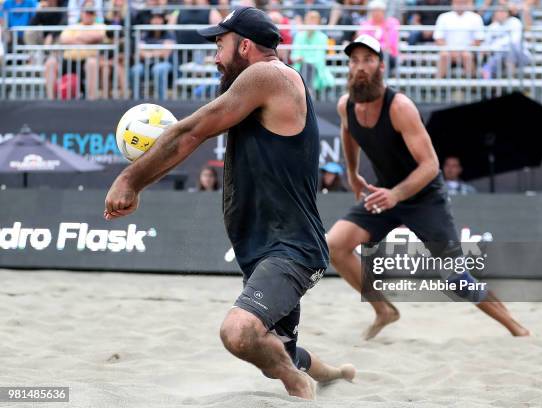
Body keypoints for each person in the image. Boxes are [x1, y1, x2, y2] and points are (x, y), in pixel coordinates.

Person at [104, 6, 354, 400]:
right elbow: (187, 138)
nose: (214, 56)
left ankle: (300, 385)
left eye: (220, 45)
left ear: (246, 47)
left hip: (291, 250)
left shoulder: (268, 75)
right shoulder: (251, 84)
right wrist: (139, 183)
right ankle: (335, 372)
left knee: (239, 333)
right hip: (264, 249)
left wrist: (129, 179)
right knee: (278, 351)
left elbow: (189, 133)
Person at [326, 34, 530, 340]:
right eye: (354, 60)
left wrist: (396, 194)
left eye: (368, 60)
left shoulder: (399, 107)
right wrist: (353, 174)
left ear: (381, 66)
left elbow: (431, 165)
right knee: (334, 246)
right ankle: (384, 310)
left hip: (424, 197)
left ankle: (517, 328)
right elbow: (347, 133)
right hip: (385, 193)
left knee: (457, 280)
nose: (360, 67)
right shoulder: (346, 106)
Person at [43, 3, 106, 99]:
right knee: (50, 63)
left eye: (91, 13)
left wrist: (77, 37)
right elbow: (63, 39)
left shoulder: (99, 26)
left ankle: (92, 100)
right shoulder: (73, 26)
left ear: (95, 15)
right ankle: (51, 99)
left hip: (86, 61)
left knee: (92, 63)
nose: (88, 15)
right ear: (81, 13)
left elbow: (98, 36)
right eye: (86, 12)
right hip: (68, 60)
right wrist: (86, 39)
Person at [433, 0, 485, 78]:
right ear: (452, 3)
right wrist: (451, 50)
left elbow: (478, 39)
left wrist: (463, 51)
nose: (459, 5)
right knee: (444, 55)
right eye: (457, 3)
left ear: (466, 4)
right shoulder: (443, 17)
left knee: (466, 55)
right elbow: (438, 38)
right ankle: (436, 84)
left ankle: (472, 85)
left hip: (468, 51)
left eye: (462, 2)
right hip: (449, 51)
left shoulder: (476, 17)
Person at [130, 11, 175, 100]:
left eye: (159, 18)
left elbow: (165, 53)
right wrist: (156, 52)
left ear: (163, 20)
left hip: (164, 63)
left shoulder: (169, 34)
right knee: (136, 70)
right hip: (145, 64)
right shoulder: (145, 34)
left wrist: (149, 53)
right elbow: (139, 52)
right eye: (154, 18)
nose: (156, 21)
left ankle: (161, 100)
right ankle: (137, 99)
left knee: (158, 69)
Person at [481, 5, 531, 79]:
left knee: (510, 50)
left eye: (502, 12)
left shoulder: (515, 22)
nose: (500, 14)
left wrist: (494, 47)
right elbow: (486, 43)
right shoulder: (493, 26)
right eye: (498, 12)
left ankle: (510, 82)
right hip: (501, 56)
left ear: (508, 13)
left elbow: (514, 40)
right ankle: (491, 84)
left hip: (521, 55)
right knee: (497, 58)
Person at [291, 10, 335, 92]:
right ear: (305, 21)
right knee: (305, 67)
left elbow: (319, 58)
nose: (311, 23)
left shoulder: (323, 37)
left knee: (308, 67)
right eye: (309, 20)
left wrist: (304, 59)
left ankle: (307, 91)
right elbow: (294, 55)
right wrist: (298, 58)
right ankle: (307, 91)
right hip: (300, 67)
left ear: (318, 23)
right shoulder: (299, 36)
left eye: (314, 21)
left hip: (316, 68)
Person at [358, 0, 399, 72]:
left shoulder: (392, 23)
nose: (375, 13)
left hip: (388, 54)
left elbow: (391, 42)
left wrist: (376, 47)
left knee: (384, 60)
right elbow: (363, 40)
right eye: (373, 11)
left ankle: (382, 81)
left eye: (378, 10)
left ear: (384, 12)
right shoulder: (366, 24)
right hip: (370, 54)